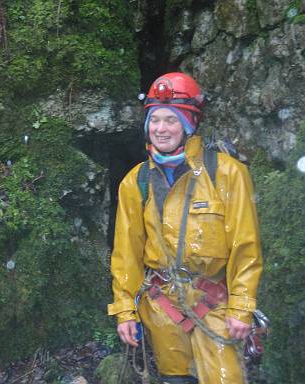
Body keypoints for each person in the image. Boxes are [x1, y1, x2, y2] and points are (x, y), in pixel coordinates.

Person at [108, 72, 263, 384]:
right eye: (155, 120)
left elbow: (245, 248)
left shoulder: (227, 174)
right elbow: (127, 253)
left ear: (188, 125)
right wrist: (125, 310)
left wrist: (242, 307)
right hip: (162, 306)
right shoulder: (135, 182)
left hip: (216, 305)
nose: (161, 129)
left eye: (171, 120)